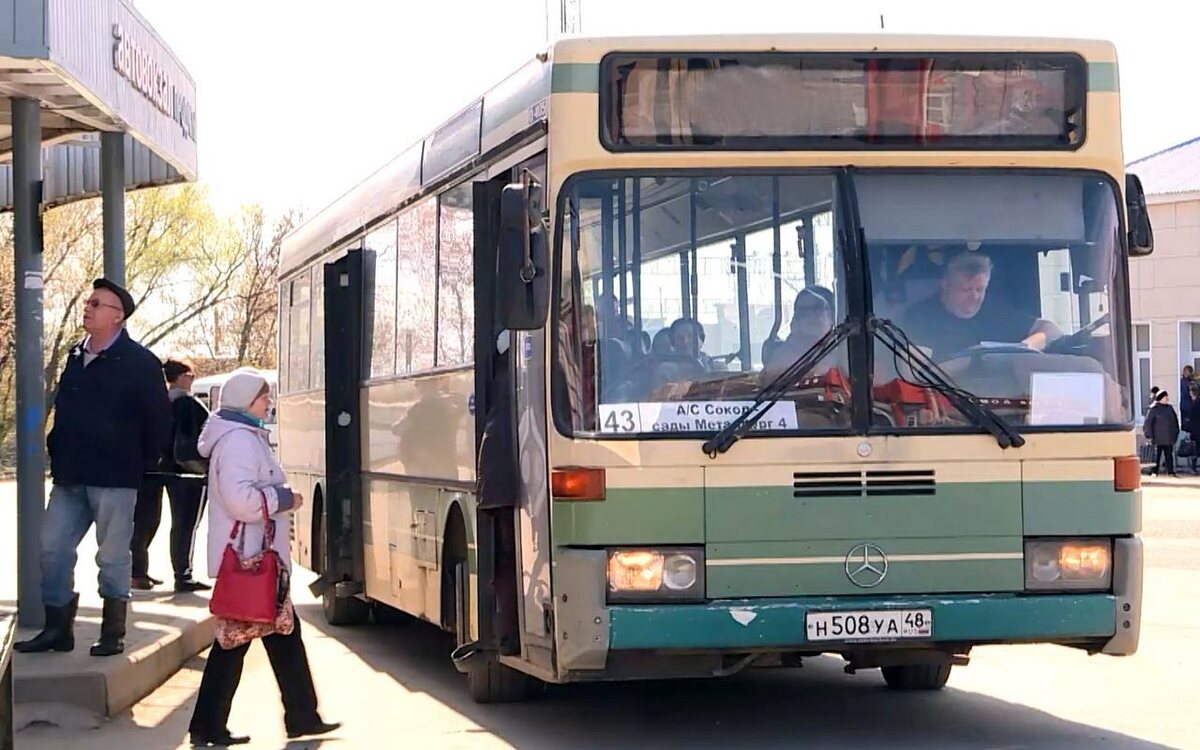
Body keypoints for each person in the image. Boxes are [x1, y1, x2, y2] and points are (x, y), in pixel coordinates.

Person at [16, 279, 171, 658]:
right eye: (88, 301)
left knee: (113, 556)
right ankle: (57, 630)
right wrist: (57, 446)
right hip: (71, 476)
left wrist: (145, 464)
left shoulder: (140, 362)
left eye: (97, 304)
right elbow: (65, 410)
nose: (88, 307)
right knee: (51, 548)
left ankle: (112, 632)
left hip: (116, 478)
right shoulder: (74, 355)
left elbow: (158, 419)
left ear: (118, 317)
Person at [188, 370, 338, 747]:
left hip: (256, 559)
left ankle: (302, 715)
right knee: (236, 643)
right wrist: (283, 499)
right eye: (263, 397)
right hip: (251, 561)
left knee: (280, 635)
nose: (268, 403)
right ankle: (210, 726)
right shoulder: (239, 441)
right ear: (244, 401)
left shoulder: (241, 435)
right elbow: (241, 500)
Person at [131, 358, 213, 592]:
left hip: (152, 469)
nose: (193, 379)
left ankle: (137, 571)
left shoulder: (154, 403)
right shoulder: (189, 403)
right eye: (191, 374)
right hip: (186, 472)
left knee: (147, 521)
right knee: (185, 523)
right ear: (182, 377)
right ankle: (183, 574)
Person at [899, 251, 1063, 361]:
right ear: (945, 285)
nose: (974, 297)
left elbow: (1051, 330)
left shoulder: (995, 312)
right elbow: (914, 374)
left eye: (980, 289)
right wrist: (972, 362)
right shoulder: (919, 317)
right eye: (966, 289)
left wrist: (1025, 348)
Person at [761, 286, 840, 383]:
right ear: (795, 319)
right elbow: (768, 382)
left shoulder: (845, 350)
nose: (811, 315)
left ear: (832, 317)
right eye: (803, 311)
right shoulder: (785, 355)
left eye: (818, 308)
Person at [1143, 390, 1180, 477]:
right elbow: (1148, 423)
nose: (1167, 399)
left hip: (1168, 437)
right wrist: (1149, 435)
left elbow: (1175, 422)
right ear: (1160, 398)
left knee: (1169, 455)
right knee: (1156, 456)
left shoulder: (1169, 408)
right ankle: (1154, 471)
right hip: (1157, 438)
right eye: (1165, 397)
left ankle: (1170, 471)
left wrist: (1175, 434)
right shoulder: (1153, 409)